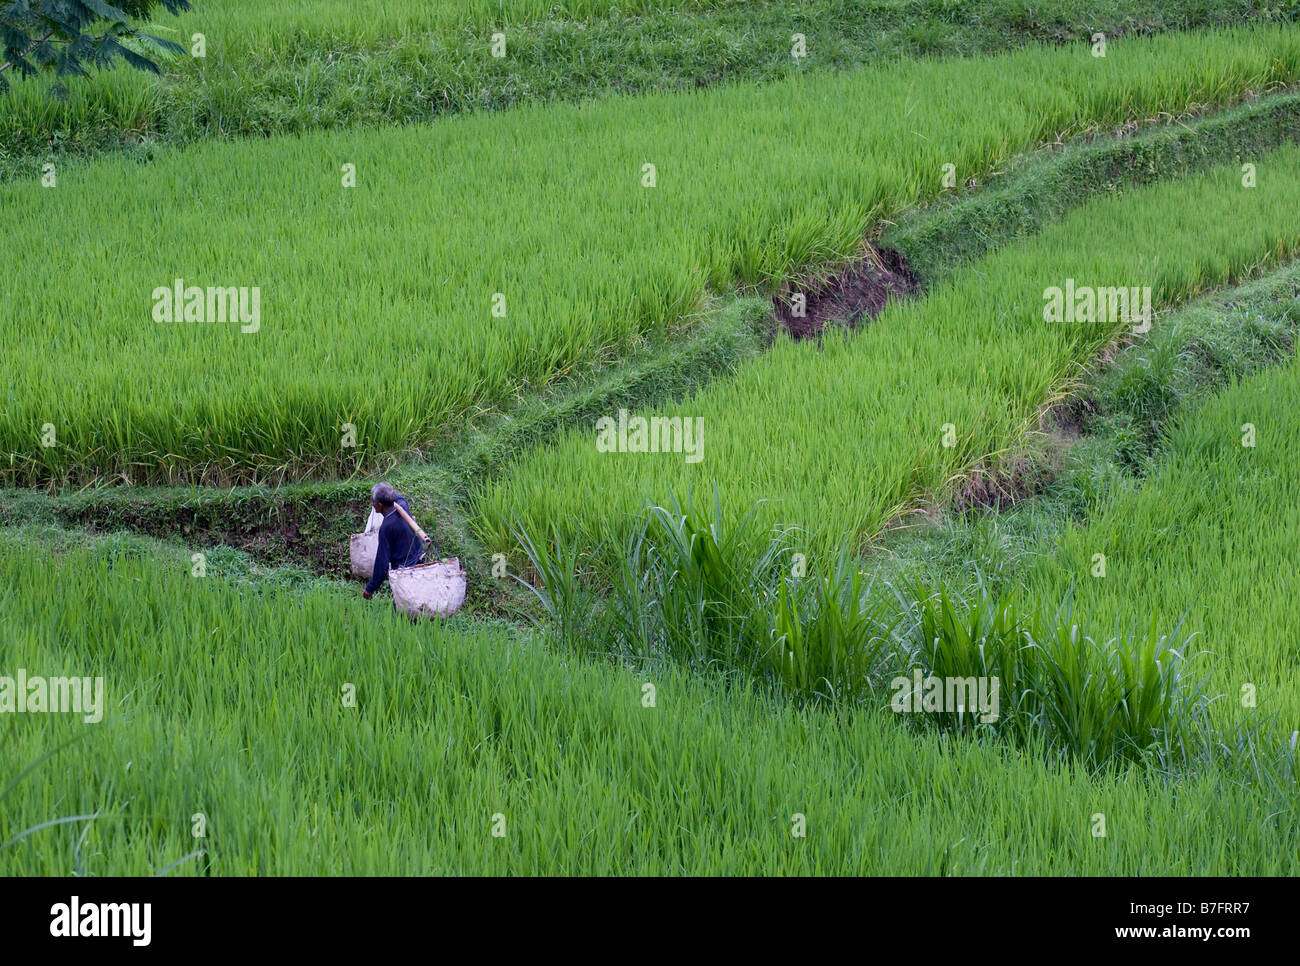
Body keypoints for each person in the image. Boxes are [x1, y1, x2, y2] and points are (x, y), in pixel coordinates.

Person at [362, 482, 426, 600]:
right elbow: (396, 496)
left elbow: (382, 563)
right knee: (419, 604)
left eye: (373, 501)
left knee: (402, 610)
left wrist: (370, 588)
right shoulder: (402, 504)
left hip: (405, 572)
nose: (372, 503)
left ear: (380, 505)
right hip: (419, 561)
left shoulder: (386, 528)